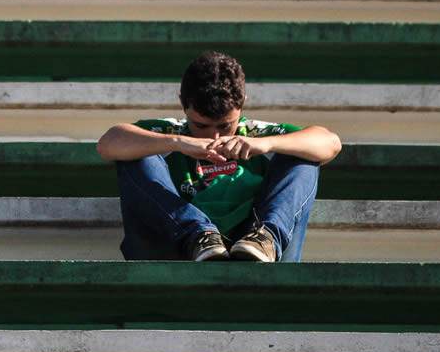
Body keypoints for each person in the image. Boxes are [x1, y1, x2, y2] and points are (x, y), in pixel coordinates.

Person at [97, 51, 342, 262]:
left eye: (225, 126)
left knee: (301, 154)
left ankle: (266, 238)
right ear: (182, 103)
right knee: (137, 150)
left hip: (255, 247)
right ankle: (198, 234)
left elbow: (330, 143)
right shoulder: (171, 132)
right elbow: (108, 143)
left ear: (242, 103)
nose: (214, 136)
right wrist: (176, 142)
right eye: (201, 126)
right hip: (176, 246)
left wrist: (266, 144)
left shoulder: (257, 134)